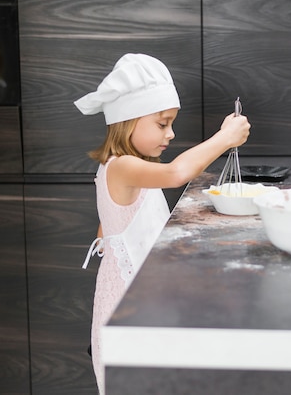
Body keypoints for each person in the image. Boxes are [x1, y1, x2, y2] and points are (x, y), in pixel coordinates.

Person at [73, 53, 250, 393]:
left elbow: (109, 227)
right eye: (162, 123)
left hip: (137, 294)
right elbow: (176, 173)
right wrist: (225, 138)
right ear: (128, 120)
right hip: (127, 304)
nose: (170, 133)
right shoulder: (121, 166)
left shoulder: (126, 167)